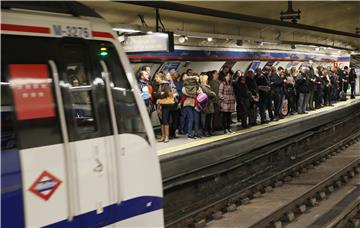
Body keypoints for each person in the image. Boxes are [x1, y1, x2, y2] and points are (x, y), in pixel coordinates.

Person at [155, 73, 174, 143]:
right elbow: (155, 94)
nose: (155, 79)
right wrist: (159, 95)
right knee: (161, 121)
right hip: (160, 104)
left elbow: (165, 94)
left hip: (166, 105)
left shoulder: (166, 85)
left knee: (165, 120)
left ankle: (167, 137)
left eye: (157, 77)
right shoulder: (158, 85)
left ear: (161, 78)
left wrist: (159, 95)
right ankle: (163, 136)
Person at [180, 74, 201, 139]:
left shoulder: (184, 87)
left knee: (190, 119)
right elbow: (199, 93)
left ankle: (189, 134)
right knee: (195, 119)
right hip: (194, 103)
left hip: (187, 104)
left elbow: (184, 93)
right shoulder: (197, 87)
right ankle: (195, 133)